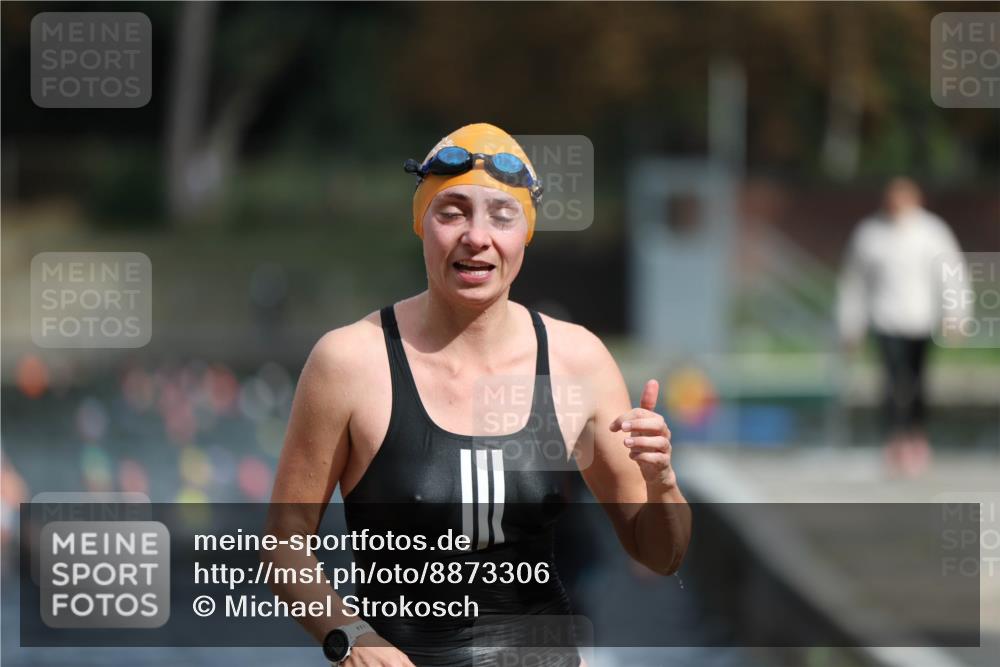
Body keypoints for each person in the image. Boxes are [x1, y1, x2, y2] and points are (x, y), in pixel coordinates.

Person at [264, 123, 691, 666]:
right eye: (452, 211)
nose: (476, 236)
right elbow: (284, 541)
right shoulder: (349, 362)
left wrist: (662, 484)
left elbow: (660, 555)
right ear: (421, 222)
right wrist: (348, 635)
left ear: (525, 234)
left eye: (501, 215)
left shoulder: (576, 361)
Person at [836, 177, 968, 477]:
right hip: (886, 319)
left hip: (922, 319)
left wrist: (956, 313)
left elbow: (951, 274)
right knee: (893, 381)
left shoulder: (932, 232)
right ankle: (895, 439)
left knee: (918, 380)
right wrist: (849, 325)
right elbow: (854, 283)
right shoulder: (869, 234)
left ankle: (917, 436)